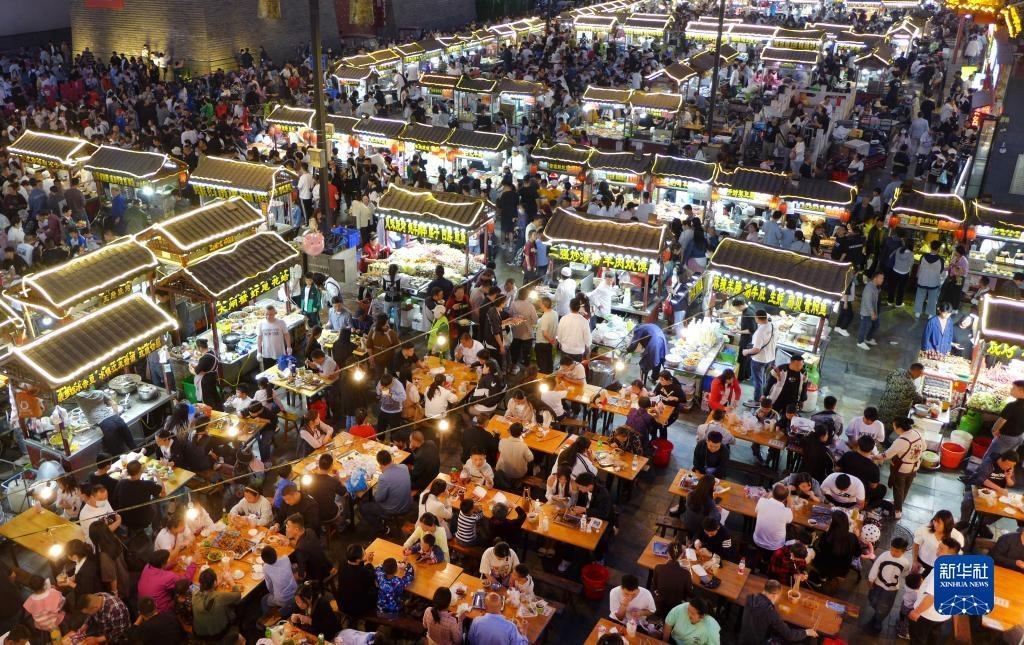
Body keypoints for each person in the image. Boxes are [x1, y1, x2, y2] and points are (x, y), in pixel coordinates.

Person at [908, 538, 961, 644]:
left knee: (917, 639)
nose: (937, 551)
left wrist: (916, 612)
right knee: (932, 640)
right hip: (942, 616)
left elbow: (932, 597)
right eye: (938, 547)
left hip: (926, 615)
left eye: (941, 549)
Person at [738, 579, 818, 644]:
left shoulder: (750, 597)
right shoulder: (770, 612)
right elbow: (789, 635)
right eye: (778, 596)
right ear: (774, 595)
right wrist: (806, 632)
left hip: (742, 639)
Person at [958, 450, 1018, 538]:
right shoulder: (989, 462)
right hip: (977, 488)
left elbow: (1011, 484)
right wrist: (1000, 489)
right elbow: (982, 479)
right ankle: (964, 523)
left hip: (995, 493)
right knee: (967, 502)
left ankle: (980, 524)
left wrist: (1008, 477)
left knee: (1004, 511)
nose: (1010, 467)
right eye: (1008, 465)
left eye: (1012, 466)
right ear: (1003, 460)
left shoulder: (1009, 467)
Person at [866, 537, 912, 633]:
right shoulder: (884, 555)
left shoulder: (905, 562)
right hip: (878, 583)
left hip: (891, 589)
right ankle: (876, 614)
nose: (893, 553)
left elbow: (904, 574)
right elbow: (876, 567)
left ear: (903, 551)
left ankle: (878, 621)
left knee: (885, 606)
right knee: (874, 599)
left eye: (897, 551)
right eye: (892, 549)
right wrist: (871, 579)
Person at [810, 510, 861, 584]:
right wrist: (857, 537)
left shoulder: (827, 537)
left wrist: (826, 532)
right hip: (843, 569)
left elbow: (820, 549)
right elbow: (857, 553)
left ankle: (822, 577)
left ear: (832, 525)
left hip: (824, 566)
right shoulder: (852, 537)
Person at [981, 380, 1024, 466]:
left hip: (1006, 437)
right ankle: (995, 473)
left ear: (1022, 392)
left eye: (1013, 388)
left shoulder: (1012, 405)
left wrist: (994, 430)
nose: (1011, 389)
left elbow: (1001, 421)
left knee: (990, 458)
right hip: (1019, 437)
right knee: (1005, 459)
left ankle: (979, 474)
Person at [138, 550, 195, 614]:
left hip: (145, 606)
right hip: (160, 611)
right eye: (167, 560)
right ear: (163, 563)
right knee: (189, 590)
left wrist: (173, 564)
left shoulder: (147, 566)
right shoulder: (167, 577)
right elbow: (186, 580)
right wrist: (193, 563)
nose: (168, 561)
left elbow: (159, 568)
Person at [192, 567, 241, 641]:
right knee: (234, 606)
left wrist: (215, 585)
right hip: (217, 634)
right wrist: (230, 580)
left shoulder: (195, 594)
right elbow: (238, 595)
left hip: (199, 633)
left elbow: (207, 594)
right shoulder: (219, 597)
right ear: (215, 582)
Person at [913, 510, 965, 577]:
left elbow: (957, 554)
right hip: (922, 562)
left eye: (939, 522)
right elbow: (916, 544)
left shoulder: (957, 536)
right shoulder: (924, 530)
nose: (935, 524)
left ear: (946, 524)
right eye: (934, 521)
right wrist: (915, 561)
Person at [838, 436, 886, 508]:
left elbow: (837, 469)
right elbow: (873, 486)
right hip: (859, 493)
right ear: (872, 449)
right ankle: (867, 508)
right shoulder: (873, 467)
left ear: (858, 445)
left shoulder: (847, 455)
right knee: (882, 489)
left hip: (842, 485)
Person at [877, 363, 926, 429]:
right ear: (915, 371)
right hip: (893, 414)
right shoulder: (910, 385)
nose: (921, 375)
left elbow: (888, 378)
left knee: (879, 425)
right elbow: (918, 399)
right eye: (920, 373)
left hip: (883, 406)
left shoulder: (898, 371)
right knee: (886, 429)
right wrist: (931, 400)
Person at [287, 513, 333, 582]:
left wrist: (291, 577)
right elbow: (301, 542)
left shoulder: (300, 549)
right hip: (326, 566)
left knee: (288, 577)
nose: (287, 529)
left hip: (316, 577)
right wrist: (289, 542)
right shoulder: (309, 531)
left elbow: (301, 575)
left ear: (296, 530)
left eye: (288, 527)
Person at [651, 541, 693, 617]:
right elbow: (689, 593)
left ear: (667, 553)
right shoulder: (686, 573)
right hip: (676, 608)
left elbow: (654, 587)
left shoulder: (658, 568)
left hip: (658, 606)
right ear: (681, 555)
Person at [753, 484, 793, 561]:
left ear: (772, 493)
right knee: (790, 531)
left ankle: (762, 558)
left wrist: (769, 496)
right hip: (775, 546)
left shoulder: (761, 501)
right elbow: (790, 520)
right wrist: (790, 502)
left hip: (757, 541)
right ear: (785, 499)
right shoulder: (786, 511)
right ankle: (769, 560)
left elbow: (757, 511)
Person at [336, 544, 377, 618]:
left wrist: (363, 560)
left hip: (342, 602)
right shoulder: (363, 572)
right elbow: (371, 579)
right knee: (377, 590)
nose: (365, 553)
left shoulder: (342, 563)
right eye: (364, 553)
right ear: (357, 559)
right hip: (356, 608)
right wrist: (369, 563)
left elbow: (354, 566)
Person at [743, 310, 776, 402]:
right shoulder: (772, 325)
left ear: (756, 318)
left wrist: (746, 352)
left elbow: (756, 349)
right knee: (763, 379)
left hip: (759, 359)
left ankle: (757, 401)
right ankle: (762, 398)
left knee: (757, 381)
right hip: (770, 358)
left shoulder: (760, 332)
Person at [261, 546, 297, 617]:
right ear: (276, 553)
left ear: (264, 561)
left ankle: (269, 618)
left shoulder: (265, 568)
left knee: (264, 600)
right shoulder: (285, 558)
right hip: (295, 592)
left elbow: (269, 586)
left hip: (283, 599)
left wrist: (273, 594)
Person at [682, 473, 721, 539]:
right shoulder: (710, 502)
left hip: (687, 521)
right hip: (699, 528)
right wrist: (718, 511)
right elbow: (714, 520)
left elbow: (688, 506)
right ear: (711, 488)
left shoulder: (690, 494)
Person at [914, 240, 945, 319]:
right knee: (932, 298)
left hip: (922, 280)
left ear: (930, 247)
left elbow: (919, 267)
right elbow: (941, 271)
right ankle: (930, 314)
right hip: (933, 282)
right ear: (938, 248)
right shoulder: (941, 260)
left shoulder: (923, 256)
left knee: (920, 296)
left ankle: (917, 312)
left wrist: (918, 276)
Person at [256, 305, 291, 370]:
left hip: (280, 353)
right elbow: (259, 338)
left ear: (275, 313)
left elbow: (286, 335)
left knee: (282, 371)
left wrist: (289, 347)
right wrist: (258, 352)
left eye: (271, 314)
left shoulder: (281, 323)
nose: (269, 316)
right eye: (267, 314)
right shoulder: (261, 324)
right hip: (267, 354)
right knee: (269, 373)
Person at [857, 272, 884, 350]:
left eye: (883, 278)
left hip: (873, 311)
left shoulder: (875, 286)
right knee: (864, 327)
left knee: (876, 325)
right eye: (881, 278)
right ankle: (860, 342)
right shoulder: (869, 288)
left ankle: (868, 338)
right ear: (875, 278)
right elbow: (867, 301)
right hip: (867, 312)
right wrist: (872, 313)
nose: (882, 280)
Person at [535, 296, 558, 373]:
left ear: (543, 305)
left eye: (540, 303)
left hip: (542, 343)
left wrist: (551, 340)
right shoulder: (555, 313)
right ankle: (549, 376)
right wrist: (553, 340)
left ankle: (543, 377)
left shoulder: (545, 316)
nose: (539, 305)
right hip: (549, 343)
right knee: (549, 362)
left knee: (542, 365)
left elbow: (544, 333)